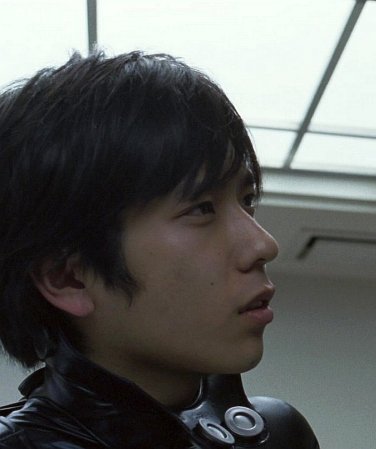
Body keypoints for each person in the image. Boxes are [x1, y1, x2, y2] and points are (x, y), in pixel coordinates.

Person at [0, 51, 319, 449]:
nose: (264, 245)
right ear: (69, 278)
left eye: (247, 198)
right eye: (201, 208)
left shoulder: (279, 434)